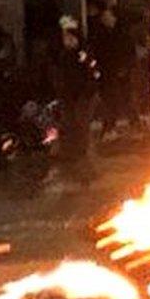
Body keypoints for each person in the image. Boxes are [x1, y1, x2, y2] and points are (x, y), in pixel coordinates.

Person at [53, 17, 101, 183]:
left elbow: (92, 75)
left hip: (83, 98)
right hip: (70, 98)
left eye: (69, 37)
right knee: (70, 127)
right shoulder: (63, 55)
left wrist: (85, 93)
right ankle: (73, 162)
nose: (66, 41)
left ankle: (87, 167)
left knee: (82, 130)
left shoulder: (83, 54)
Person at [90, 7, 134, 139]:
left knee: (122, 99)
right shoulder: (100, 35)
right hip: (107, 73)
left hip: (119, 73)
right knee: (109, 101)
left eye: (108, 16)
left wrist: (125, 68)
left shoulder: (122, 34)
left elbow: (129, 53)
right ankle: (109, 127)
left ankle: (128, 123)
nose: (105, 19)